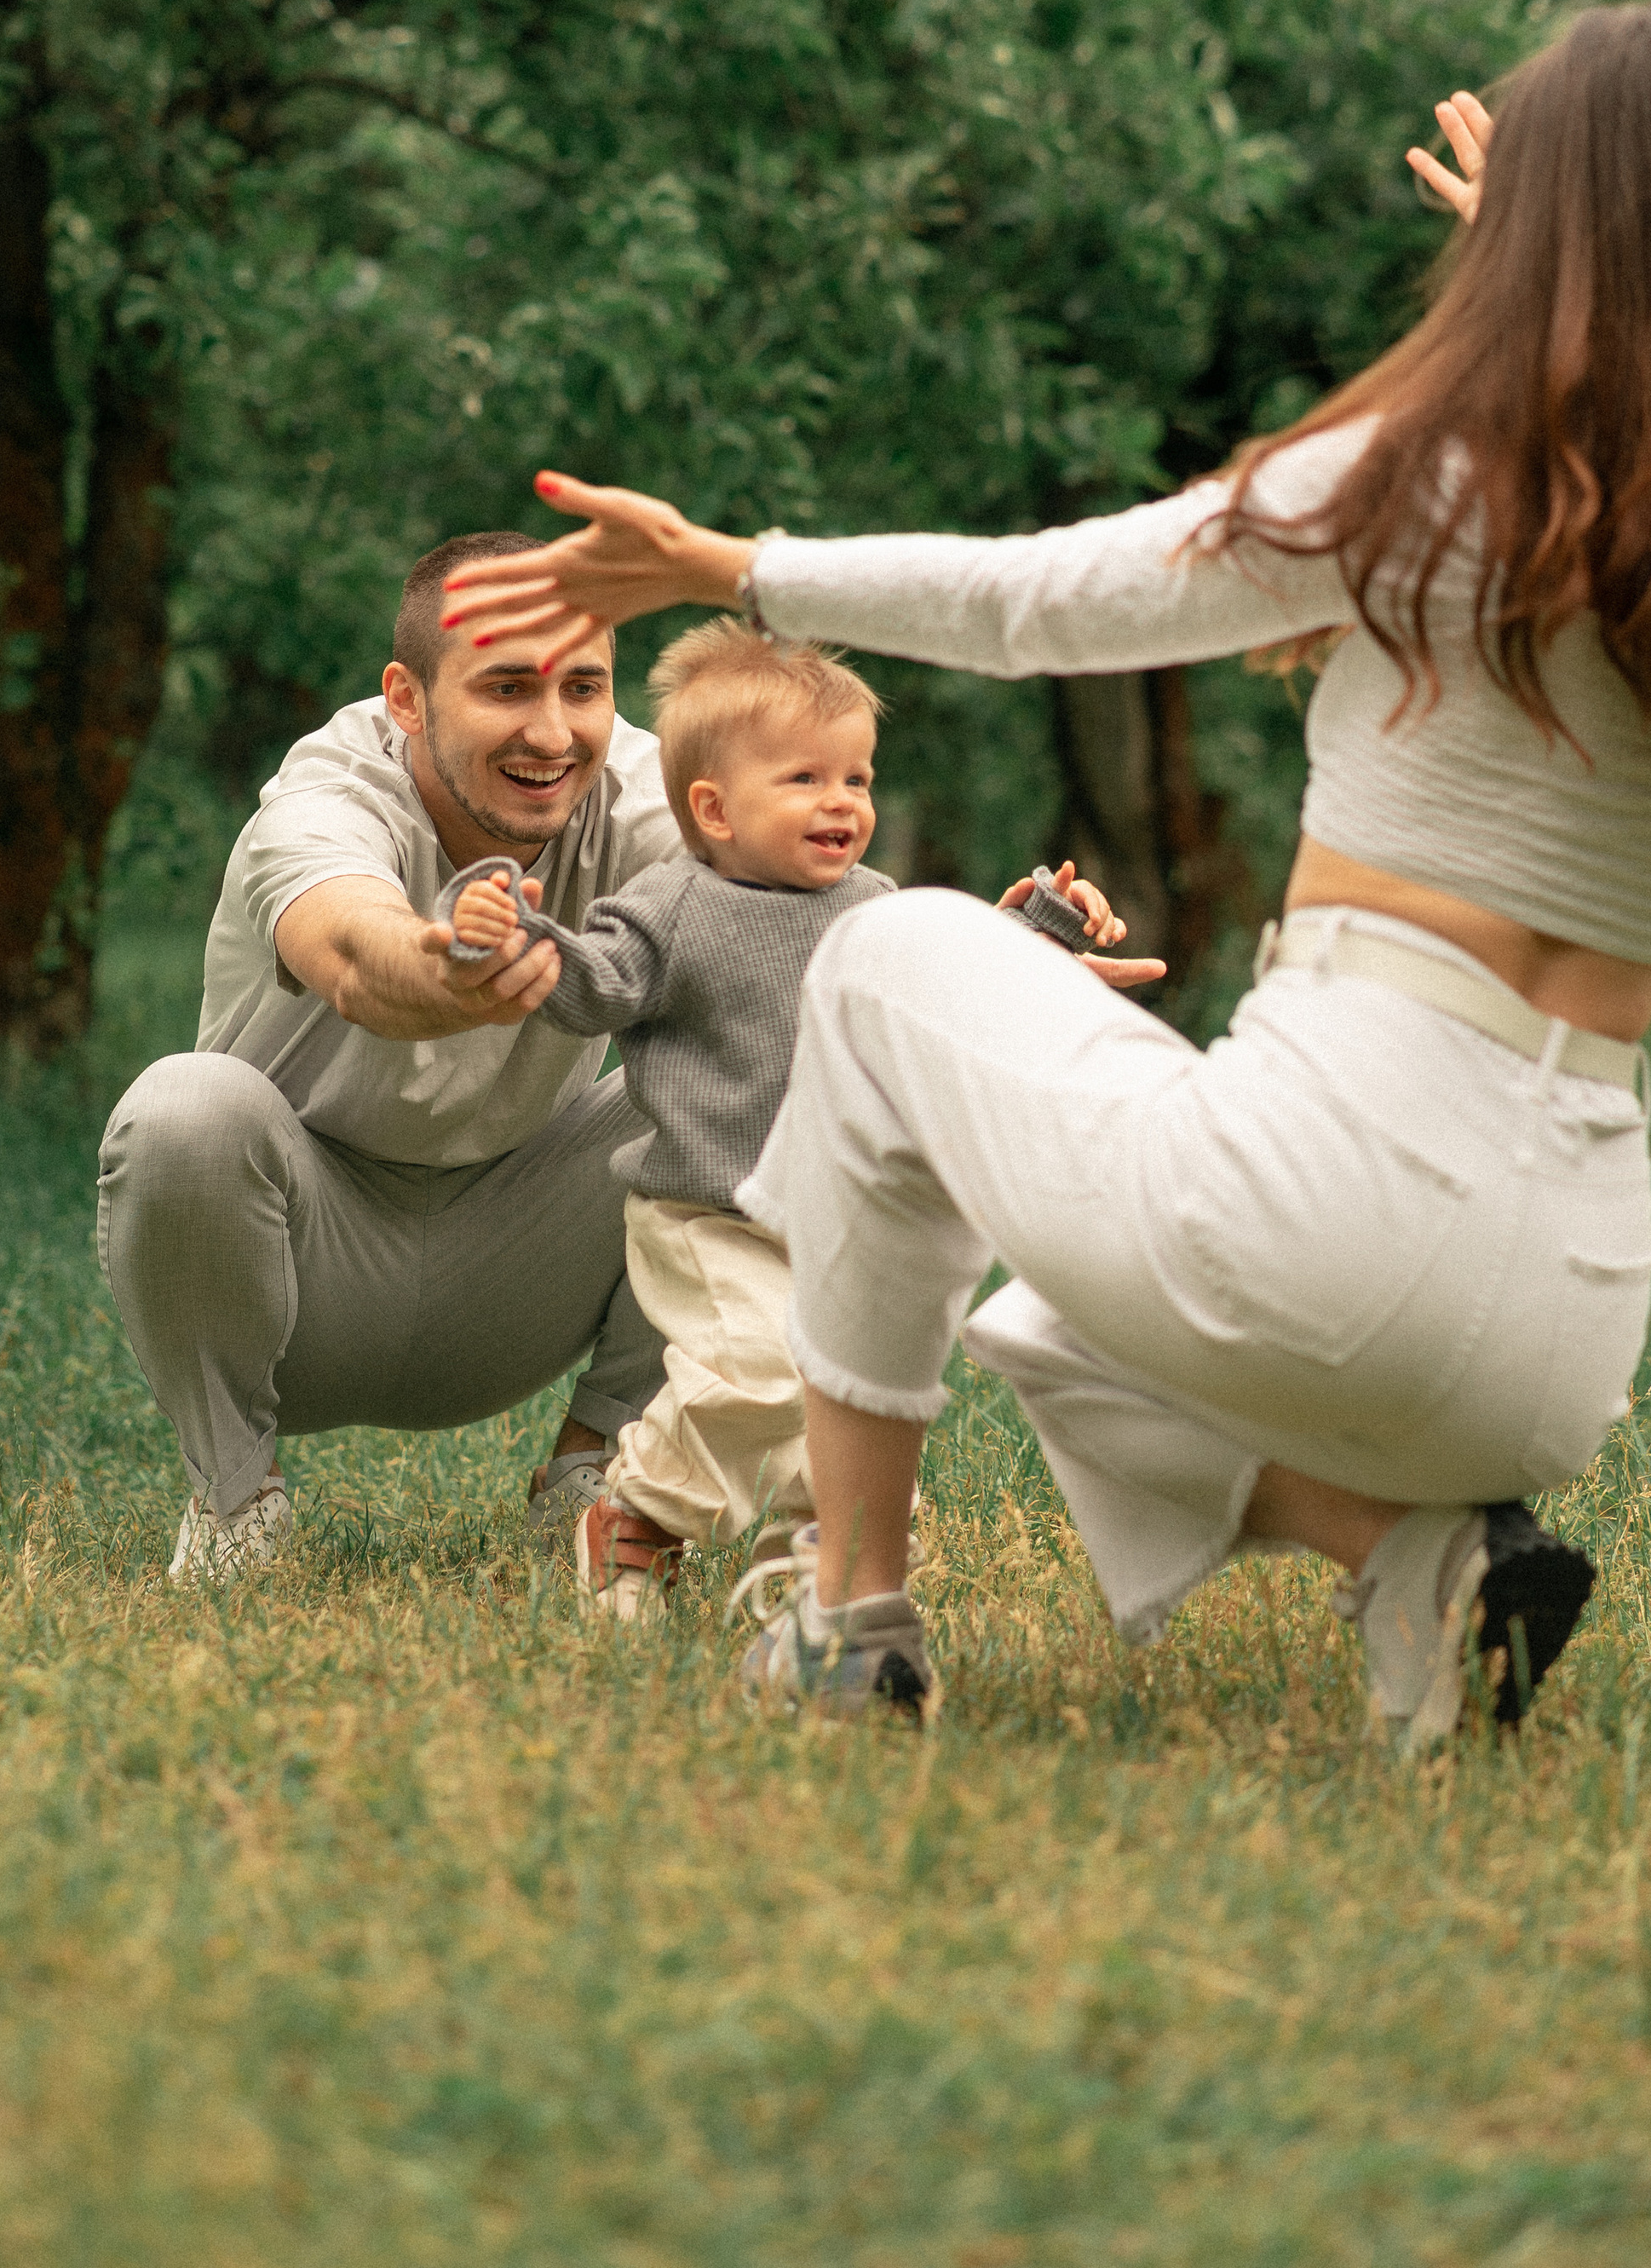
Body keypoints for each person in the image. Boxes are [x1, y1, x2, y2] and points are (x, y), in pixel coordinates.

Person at [438, 1, 1651, 1740]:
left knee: (882, 964)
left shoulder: (1435, 475)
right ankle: (1416, 1563)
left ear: (1559, 237)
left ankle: (851, 1621)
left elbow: (1040, 601)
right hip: (1563, 1327)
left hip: (1321, 1233)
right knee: (1054, 1334)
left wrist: (733, 569)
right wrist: (1560, 271)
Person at [440, 616, 1150, 1627]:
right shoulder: (671, 906)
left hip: (832, 1219)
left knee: (843, 1400)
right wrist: (507, 929)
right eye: (806, 779)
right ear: (713, 808)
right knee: (757, 1372)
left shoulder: (873, 901)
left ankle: (808, 1575)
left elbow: (941, 971)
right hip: (707, 1215)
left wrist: (1033, 933)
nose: (842, 801)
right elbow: (589, 985)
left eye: (857, 778)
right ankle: (634, 1508)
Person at [98, 533, 686, 1583]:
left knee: (763, 1062)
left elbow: (798, 925)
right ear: (407, 699)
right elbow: (351, 952)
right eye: (506, 687)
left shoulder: (641, 794)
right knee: (183, 1108)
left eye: (583, 688)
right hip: (299, 1274)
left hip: (522, 1257)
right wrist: (444, 972)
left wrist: (977, 950)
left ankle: (601, 1479)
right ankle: (236, 1503)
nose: (552, 732)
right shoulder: (325, 794)